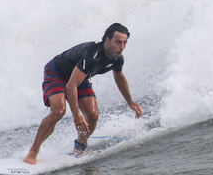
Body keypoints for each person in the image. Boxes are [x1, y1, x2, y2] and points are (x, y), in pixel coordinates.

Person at [24, 23, 143, 164]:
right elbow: (70, 86)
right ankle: (33, 151)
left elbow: (119, 77)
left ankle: (80, 147)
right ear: (106, 40)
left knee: (93, 115)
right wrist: (76, 115)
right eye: (118, 42)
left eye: (124, 43)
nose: (122, 47)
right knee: (59, 111)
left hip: (79, 77)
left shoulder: (117, 58)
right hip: (56, 72)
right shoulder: (92, 56)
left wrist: (130, 102)